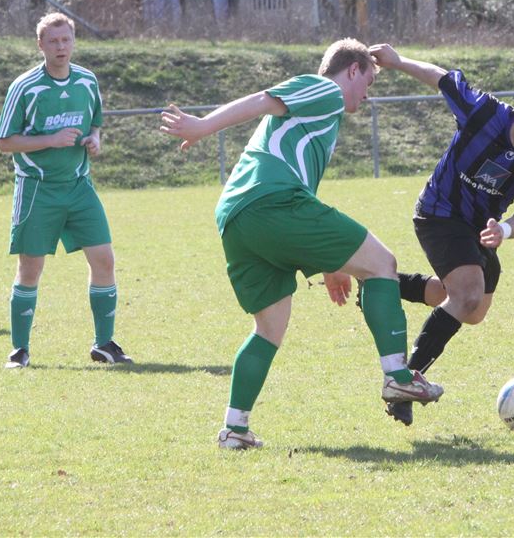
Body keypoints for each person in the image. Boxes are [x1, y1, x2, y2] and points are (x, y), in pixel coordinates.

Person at [159, 38, 444, 451]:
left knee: (269, 328)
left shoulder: (319, 119)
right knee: (382, 264)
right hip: (271, 202)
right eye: (368, 83)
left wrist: (332, 264)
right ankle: (398, 377)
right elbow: (263, 99)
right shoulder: (324, 89)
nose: (367, 95)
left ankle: (235, 429)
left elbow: (303, 193)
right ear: (352, 70)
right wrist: (203, 126)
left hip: (238, 218)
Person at [368, 44, 514, 426]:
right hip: (439, 213)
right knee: (465, 296)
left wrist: (504, 229)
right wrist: (397, 62)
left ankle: (382, 285)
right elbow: (441, 78)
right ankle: (404, 382)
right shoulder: (486, 114)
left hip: (482, 231)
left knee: (472, 310)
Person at [0, 12, 131, 369]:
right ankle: (20, 350)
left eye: (66, 40)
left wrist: (95, 140)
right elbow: (5, 142)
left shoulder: (87, 80)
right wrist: (50, 140)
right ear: (40, 44)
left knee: (104, 260)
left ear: (74, 41)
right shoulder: (25, 86)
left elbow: (96, 123)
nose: (60, 47)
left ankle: (104, 344)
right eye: (53, 41)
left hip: (79, 186)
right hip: (37, 190)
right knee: (30, 268)